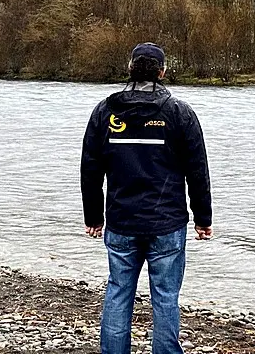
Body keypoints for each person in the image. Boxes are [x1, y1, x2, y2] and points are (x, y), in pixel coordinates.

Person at [81, 42, 213, 354]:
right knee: (165, 296)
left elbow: (90, 169)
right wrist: (203, 219)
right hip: (166, 223)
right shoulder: (180, 113)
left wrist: (93, 217)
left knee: (118, 291)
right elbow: (198, 170)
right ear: (162, 72)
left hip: (122, 221)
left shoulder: (105, 111)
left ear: (129, 69)